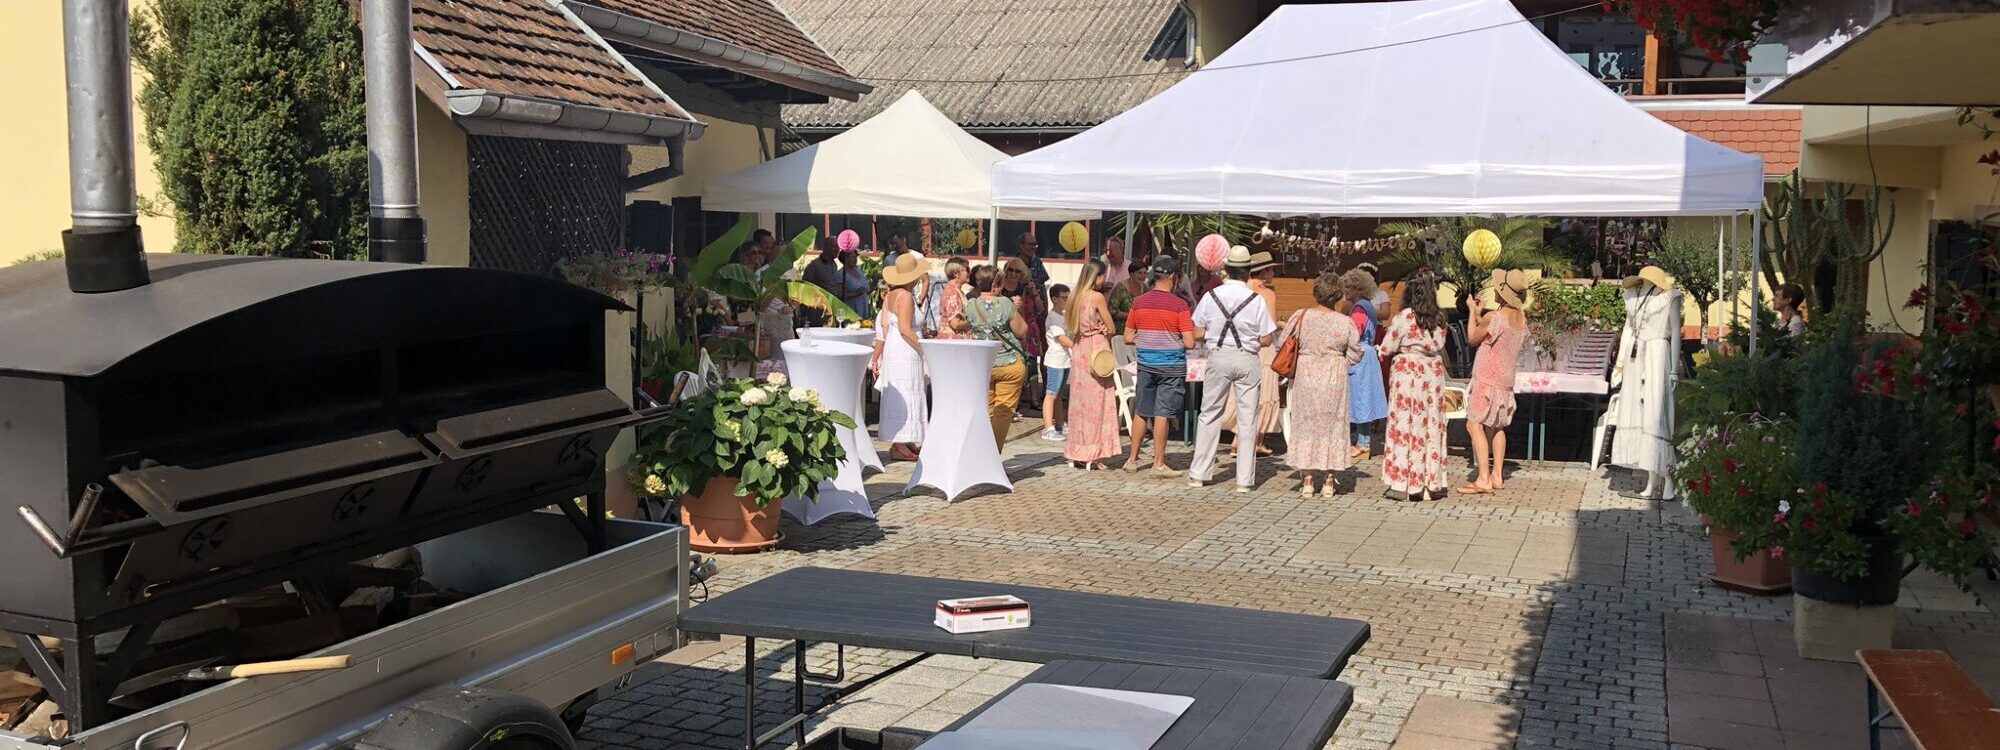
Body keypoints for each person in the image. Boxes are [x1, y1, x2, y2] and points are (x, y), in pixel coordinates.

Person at [1188, 247, 1277, 493]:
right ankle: (1244, 481)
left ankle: (1199, 474)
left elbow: (1196, 333)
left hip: (1218, 356)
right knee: (1248, 419)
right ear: (1248, 270)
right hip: (1247, 358)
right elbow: (1268, 339)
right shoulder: (1256, 298)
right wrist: (1246, 340)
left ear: (1227, 269)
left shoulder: (1211, 295)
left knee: (1209, 414)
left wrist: (1216, 335)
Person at [1281, 271, 1367, 498]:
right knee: (1333, 425)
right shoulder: (1345, 322)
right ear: (1338, 296)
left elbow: (1283, 341)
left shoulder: (1302, 316)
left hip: (1307, 374)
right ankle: (1329, 479)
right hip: (1334, 375)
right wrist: (1339, 358)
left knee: (1305, 423)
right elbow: (1357, 353)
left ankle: (1308, 478)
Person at [1379, 269, 1452, 501]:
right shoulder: (1439, 319)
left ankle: (1404, 484)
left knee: (1405, 427)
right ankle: (1431, 484)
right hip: (1432, 374)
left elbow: (1387, 347)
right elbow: (1440, 343)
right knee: (1431, 427)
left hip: (1408, 375)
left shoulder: (1404, 318)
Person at [1123, 256, 1195, 476]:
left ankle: (1132, 460)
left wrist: (1147, 338)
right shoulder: (1179, 305)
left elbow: (1127, 336)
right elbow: (1190, 342)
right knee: (1162, 412)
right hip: (1171, 365)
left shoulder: (1139, 301)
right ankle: (1158, 463)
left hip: (1145, 363)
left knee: (1142, 411)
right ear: (1173, 277)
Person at [1462, 270, 1531, 495]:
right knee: (1498, 426)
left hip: (1487, 376)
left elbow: (1473, 338)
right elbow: (1493, 333)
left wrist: (1473, 312)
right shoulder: (1521, 319)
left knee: (1474, 424)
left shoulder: (1496, 317)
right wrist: (1482, 314)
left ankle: (1483, 478)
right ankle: (1497, 475)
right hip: (1505, 378)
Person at [1223, 252, 1284, 457]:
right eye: (1271, 269)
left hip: (1241, 345)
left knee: (1242, 391)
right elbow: (1271, 324)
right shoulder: (1266, 293)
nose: (1273, 272)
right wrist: (1282, 325)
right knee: (1263, 392)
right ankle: (1254, 441)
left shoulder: (1240, 289)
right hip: (1263, 347)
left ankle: (1236, 439)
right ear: (1264, 271)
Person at [870, 253, 930, 462]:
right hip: (905, 349)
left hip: (895, 346)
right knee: (907, 390)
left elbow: (886, 326)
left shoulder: (890, 295)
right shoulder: (905, 297)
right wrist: (924, 348)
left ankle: (905, 439)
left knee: (903, 391)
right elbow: (905, 328)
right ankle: (900, 442)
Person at [1063, 263, 1122, 471]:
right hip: (1096, 348)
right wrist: (1105, 328)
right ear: (1095, 277)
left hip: (1079, 348)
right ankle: (1094, 451)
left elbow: (1070, 327)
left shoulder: (1073, 297)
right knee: (1099, 402)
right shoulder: (1096, 297)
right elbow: (1112, 326)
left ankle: (1077, 449)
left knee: (1079, 403)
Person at [966, 265, 1031, 446]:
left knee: (986, 410)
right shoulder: (1005, 303)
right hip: (1009, 361)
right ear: (996, 285)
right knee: (1003, 412)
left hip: (983, 366)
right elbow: (1021, 330)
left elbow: (962, 324)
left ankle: (980, 451)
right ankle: (992, 454)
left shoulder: (971, 305)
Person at [1344, 268, 1390, 461]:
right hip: (1366, 354)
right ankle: (1362, 442)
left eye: (1349, 287)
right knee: (1362, 399)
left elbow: (1355, 331)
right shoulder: (1367, 305)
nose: (1345, 291)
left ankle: (1362, 444)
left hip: (1360, 355)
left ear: (1359, 289)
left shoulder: (1360, 308)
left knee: (1360, 399)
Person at [1001, 257, 1046, 417]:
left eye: (1017, 271)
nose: (1013, 273)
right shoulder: (999, 286)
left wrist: (1034, 293)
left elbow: (1040, 309)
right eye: (1010, 270)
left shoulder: (1026, 288)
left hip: (1028, 327)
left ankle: (1034, 398)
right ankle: (1014, 400)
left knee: (1030, 362)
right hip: (1007, 328)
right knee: (1012, 364)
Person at [1042, 283, 1073, 441]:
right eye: (1064, 298)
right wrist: (1080, 347)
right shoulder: (1053, 318)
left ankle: (1060, 424)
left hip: (1065, 360)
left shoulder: (1064, 315)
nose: (1067, 300)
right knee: (1051, 394)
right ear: (1054, 299)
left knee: (1059, 394)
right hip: (1056, 360)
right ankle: (1048, 427)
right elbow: (1062, 339)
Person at [934, 257, 972, 339]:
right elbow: (955, 323)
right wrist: (972, 323)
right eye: (967, 269)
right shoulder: (952, 293)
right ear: (956, 273)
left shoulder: (955, 291)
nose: (969, 273)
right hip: (953, 342)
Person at [838, 247, 874, 319]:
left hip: (863, 307)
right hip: (851, 309)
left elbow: (866, 291)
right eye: (852, 257)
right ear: (846, 259)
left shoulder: (859, 271)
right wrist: (857, 293)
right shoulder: (840, 274)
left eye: (856, 257)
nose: (855, 259)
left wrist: (875, 281)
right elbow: (839, 295)